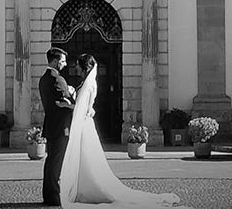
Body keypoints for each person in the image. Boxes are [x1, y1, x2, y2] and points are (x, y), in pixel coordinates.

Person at [60, 53, 181, 208]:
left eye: (77, 64)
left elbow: (81, 108)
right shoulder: (88, 83)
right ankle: (85, 186)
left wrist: (66, 105)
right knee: (87, 158)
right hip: (86, 125)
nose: (75, 67)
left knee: (86, 157)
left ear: (84, 66)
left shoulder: (88, 84)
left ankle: (88, 187)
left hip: (84, 126)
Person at [40, 47, 76, 206]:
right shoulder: (57, 78)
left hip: (51, 125)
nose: (65, 64)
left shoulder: (44, 78)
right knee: (56, 162)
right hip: (61, 126)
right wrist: (73, 97)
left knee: (51, 161)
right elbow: (64, 101)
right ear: (54, 61)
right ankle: (54, 197)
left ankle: (49, 195)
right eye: (62, 61)